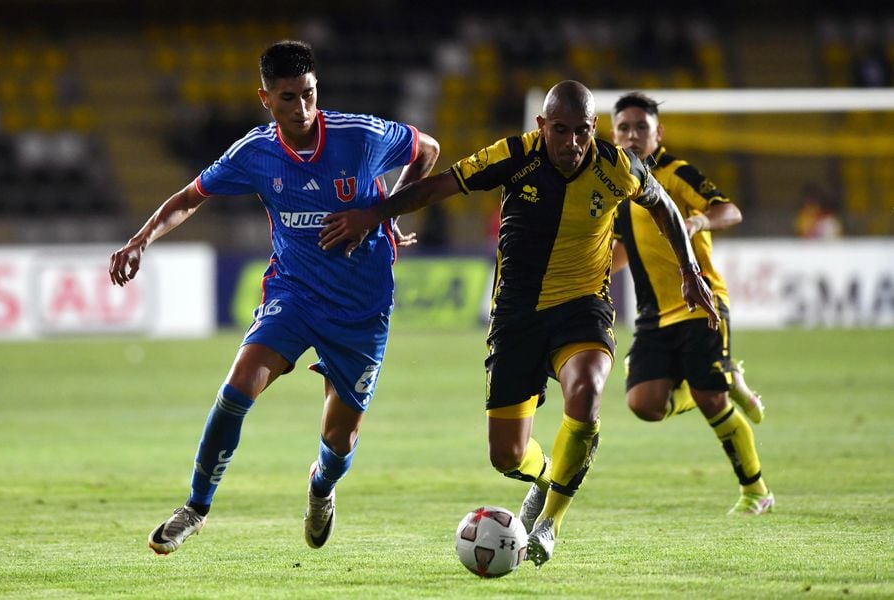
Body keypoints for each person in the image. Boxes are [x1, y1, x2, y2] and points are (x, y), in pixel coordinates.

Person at [318, 80, 719, 567]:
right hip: (516, 317)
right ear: (541, 126)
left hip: (582, 307)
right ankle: (548, 475)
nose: (572, 143)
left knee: (587, 392)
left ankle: (550, 521)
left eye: (583, 132)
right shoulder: (514, 156)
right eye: (561, 131)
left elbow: (664, 206)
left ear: (595, 128)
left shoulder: (617, 166)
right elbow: (440, 184)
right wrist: (374, 214)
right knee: (506, 456)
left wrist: (689, 269)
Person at [108, 40, 440, 554]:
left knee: (340, 440)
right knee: (239, 384)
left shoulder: (360, 136)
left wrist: (384, 215)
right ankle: (195, 507)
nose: (302, 108)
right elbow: (190, 197)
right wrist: (140, 240)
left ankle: (321, 488)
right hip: (295, 294)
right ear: (266, 99)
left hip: (361, 309)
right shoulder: (254, 153)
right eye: (288, 98)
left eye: (308, 94)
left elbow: (429, 150)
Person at [609, 91, 773, 516]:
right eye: (624, 128)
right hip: (653, 314)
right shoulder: (617, 184)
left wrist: (700, 218)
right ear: (613, 133)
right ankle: (723, 377)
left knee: (711, 402)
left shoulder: (676, 173)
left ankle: (755, 490)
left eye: (640, 128)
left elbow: (730, 211)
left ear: (657, 133)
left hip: (700, 301)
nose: (631, 136)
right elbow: (622, 247)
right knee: (643, 404)